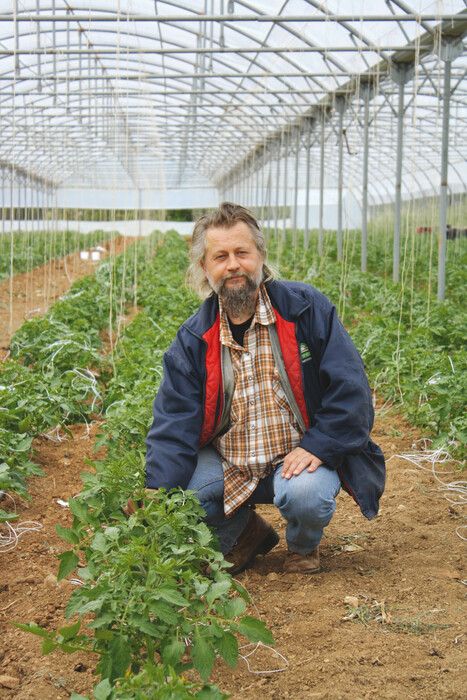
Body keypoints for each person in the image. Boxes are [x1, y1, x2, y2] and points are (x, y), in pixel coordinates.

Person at [142, 202, 385, 575]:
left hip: (295, 456)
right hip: (230, 461)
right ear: (205, 268)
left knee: (306, 495)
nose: (233, 265)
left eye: (242, 252)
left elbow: (350, 391)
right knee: (181, 499)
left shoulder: (306, 310)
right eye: (220, 256)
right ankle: (246, 533)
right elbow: (174, 420)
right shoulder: (194, 339)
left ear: (260, 256)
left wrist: (317, 445)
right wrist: (157, 489)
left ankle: (303, 548)